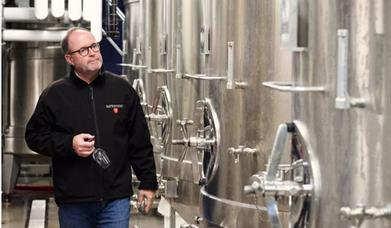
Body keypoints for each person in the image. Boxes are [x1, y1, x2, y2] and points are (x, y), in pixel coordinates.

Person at [25, 27, 158, 228]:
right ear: (70, 59)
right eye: (84, 50)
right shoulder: (55, 95)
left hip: (116, 199)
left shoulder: (122, 90)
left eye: (94, 46)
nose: (93, 52)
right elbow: (34, 136)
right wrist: (69, 144)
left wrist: (148, 182)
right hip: (74, 201)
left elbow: (139, 140)